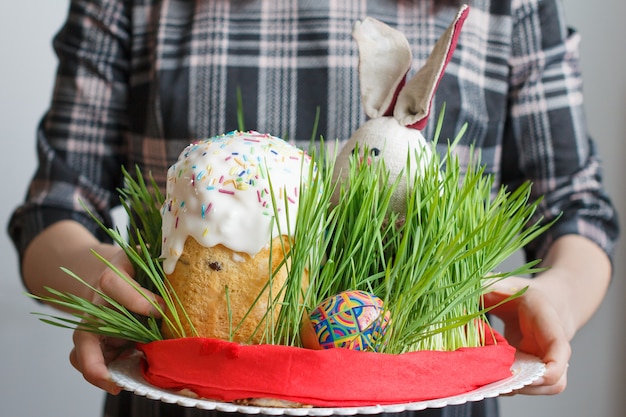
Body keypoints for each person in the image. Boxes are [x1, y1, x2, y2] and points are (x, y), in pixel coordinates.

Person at [8, 0, 619, 416]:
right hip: (182, 396)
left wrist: (556, 300)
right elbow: (54, 205)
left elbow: (576, 205)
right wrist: (95, 279)